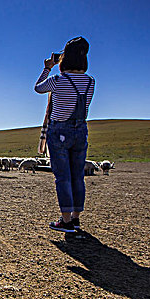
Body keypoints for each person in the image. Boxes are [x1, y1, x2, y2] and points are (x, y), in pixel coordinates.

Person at [34, 36, 95, 235]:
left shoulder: (58, 80)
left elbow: (38, 87)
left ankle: (66, 221)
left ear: (65, 58)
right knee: (78, 175)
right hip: (80, 131)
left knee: (63, 178)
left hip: (59, 131)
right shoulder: (90, 82)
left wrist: (48, 67)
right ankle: (76, 219)